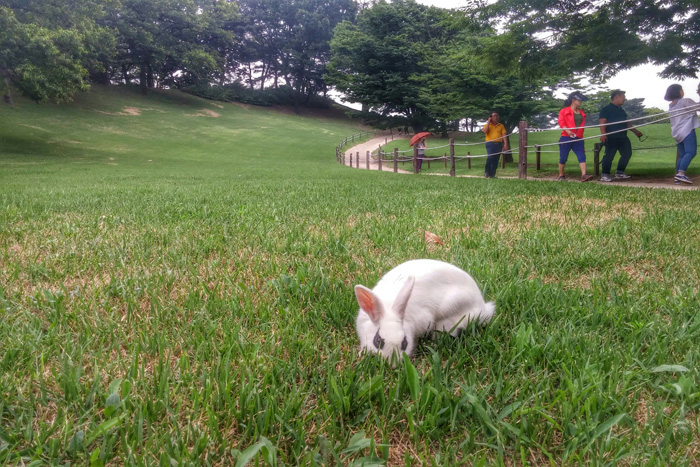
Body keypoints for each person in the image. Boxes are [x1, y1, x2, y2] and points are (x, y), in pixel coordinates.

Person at [598, 90, 643, 182]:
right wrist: (603, 134)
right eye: (623, 97)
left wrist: (635, 131)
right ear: (617, 97)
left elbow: (627, 123)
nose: (625, 99)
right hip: (611, 136)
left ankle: (620, 172)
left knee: (627, 154)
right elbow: (602, 122)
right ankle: (605, 175)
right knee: (609, 156)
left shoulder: (621, 110)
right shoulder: (606, 109)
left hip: (622, 137)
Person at [665, 84, 700, 185]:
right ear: (679, 91)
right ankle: (681, 173)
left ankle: (677, 177)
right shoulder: (685, 101)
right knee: (691, 152)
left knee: (683, 155)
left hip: (676, 133)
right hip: (686, 131)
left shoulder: (671, 105)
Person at [557, 91, 594, 182]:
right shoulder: (564, 111)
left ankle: (584, 175)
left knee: (581, 155)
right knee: (563, 157)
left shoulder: (581, 112)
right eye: (579, 100)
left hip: (578, 138)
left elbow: (581, 126)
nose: (580, 102)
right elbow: (561, 123)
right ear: (573, 100)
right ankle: (561, 175)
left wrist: (580, 136)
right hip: (566, 137)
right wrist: (568, 131)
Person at [482, 112, 509, 178]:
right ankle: (486, 172)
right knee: (490, 157)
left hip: (499, 144)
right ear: (491, 117)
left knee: (496, 159)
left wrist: (505, 144)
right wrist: (488, 122)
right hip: (490, 143)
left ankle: (492, 173)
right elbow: (485, 131)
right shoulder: (487, 125)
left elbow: (504, 135)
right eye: (494, 116)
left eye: (497, 116)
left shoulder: (501, 125)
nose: (495, 117)